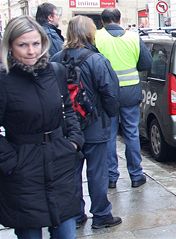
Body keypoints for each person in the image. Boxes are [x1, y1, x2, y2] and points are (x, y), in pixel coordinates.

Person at [0, 15, 84, 238]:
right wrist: (10, 160)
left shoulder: (55, 71)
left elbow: (68, 108)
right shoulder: (4, 80)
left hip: (59, 161)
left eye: (35, 43)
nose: (31, 51)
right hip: (23, 169)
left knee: (67, 232)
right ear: (10, 45)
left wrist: (74, 141)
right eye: (23, 45)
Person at [51, 15, 122, 230]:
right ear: (90, 33)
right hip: (94, 125)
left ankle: (75, 214)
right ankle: (101, 214)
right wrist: (110, 116)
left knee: (71, 173)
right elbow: (110, 93)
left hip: (67, 128)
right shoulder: (96, 60)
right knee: (97, 172)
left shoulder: (56, 59)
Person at [95, 8, 152, 189]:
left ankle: (111, 177)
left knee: (109, 135)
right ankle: (136, 175)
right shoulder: (133, 37)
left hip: (106, 93)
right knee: (132, 133)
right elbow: (146, 63)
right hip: (130, 91)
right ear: (119, 19)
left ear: (102, 21)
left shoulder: (97, 37)